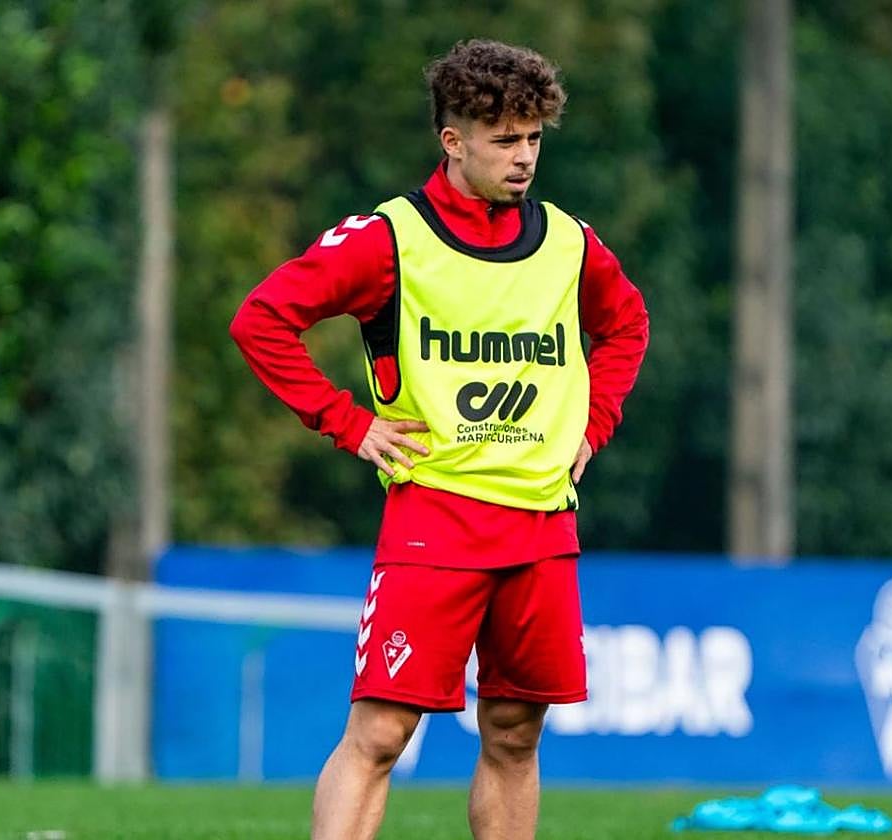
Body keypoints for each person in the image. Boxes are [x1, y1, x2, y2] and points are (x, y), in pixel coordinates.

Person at [230, 38, 649, 840]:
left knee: (515, 733)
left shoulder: (569, 242)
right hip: (436, 519)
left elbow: (627, 323)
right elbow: (262, 320)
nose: (524, 158)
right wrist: (348, 423)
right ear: (452, 141)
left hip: (541, 525)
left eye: (533, 138)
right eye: (505, 140)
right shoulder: (389, 238)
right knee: (382, 734)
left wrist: (596, 425)